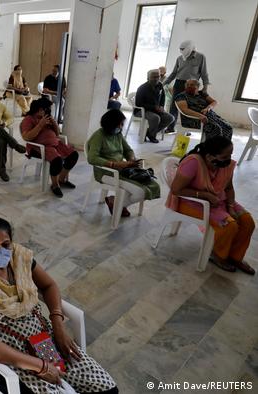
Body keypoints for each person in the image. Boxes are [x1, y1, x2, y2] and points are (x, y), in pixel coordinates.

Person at [0, 217, 119, 394]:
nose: (0, 250)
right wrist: (40, 366)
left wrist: (58, 327)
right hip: (6, 352)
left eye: (5, 244)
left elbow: (49, 286)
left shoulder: (19, 259)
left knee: (106, 389)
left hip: (42, 338)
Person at [169, 137, 254, 274]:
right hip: (191, 202)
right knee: (229, 225)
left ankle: (235, 256)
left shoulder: (225, 166)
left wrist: (231, 207)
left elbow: (229, 188)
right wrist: (205, 195)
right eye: (225, 156)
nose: (229, 159)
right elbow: (176, 190)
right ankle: (218, 255)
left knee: (247, 221)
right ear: (209, 156)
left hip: (218, 200)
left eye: (230, 155)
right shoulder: (193, 163)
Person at [86, 109, 160, 217]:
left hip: (122, 170)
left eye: (122, 124)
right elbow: (92, 158)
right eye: (119, 124)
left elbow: (128, 150)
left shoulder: (118, 135)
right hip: (105, 173)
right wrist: (114, 164)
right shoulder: (99, 136)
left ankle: (116, 202)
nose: (121, 127)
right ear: (111, 123)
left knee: (153, 185)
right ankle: (117, 203)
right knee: (141, 192)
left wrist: (131, 158)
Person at [20, 98, 78, 197]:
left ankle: (62, 179)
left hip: (55, 143)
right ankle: (55, 185)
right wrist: (40, 125)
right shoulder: (28, 119)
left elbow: (57, 133)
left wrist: (54, 123)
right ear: (39, 109)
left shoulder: (47, 117)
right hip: (39, 147)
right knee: (57, 160)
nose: (48, 111)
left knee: (73, 155)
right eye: (46, 109)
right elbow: (27, 137)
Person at [163, 40, 210, 133]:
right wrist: (164, 83)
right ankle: (170, 128)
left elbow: (204, 73)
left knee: (188, 108)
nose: (181, 51)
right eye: (180, 49)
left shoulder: (200, 57)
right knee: (174, 106)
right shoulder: (179, 58)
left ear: (190, 48)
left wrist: (205, 87)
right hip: (179, 83)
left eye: (183, 49)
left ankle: (187, 129)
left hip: (191, 85)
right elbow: (174, 73)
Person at [135, 69, 174, 143]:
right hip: (142, 110)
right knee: (156, 118)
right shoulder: (142, 88)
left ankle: (148, 133)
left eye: (158, 76)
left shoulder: (160, 85)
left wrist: (161, 106)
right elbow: (139, 103)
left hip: (156, 110)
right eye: (154, 77)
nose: (156, 79)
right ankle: (152, 136)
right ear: (148, 78)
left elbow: (163, 97)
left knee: (170, 118)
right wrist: (154, 107)